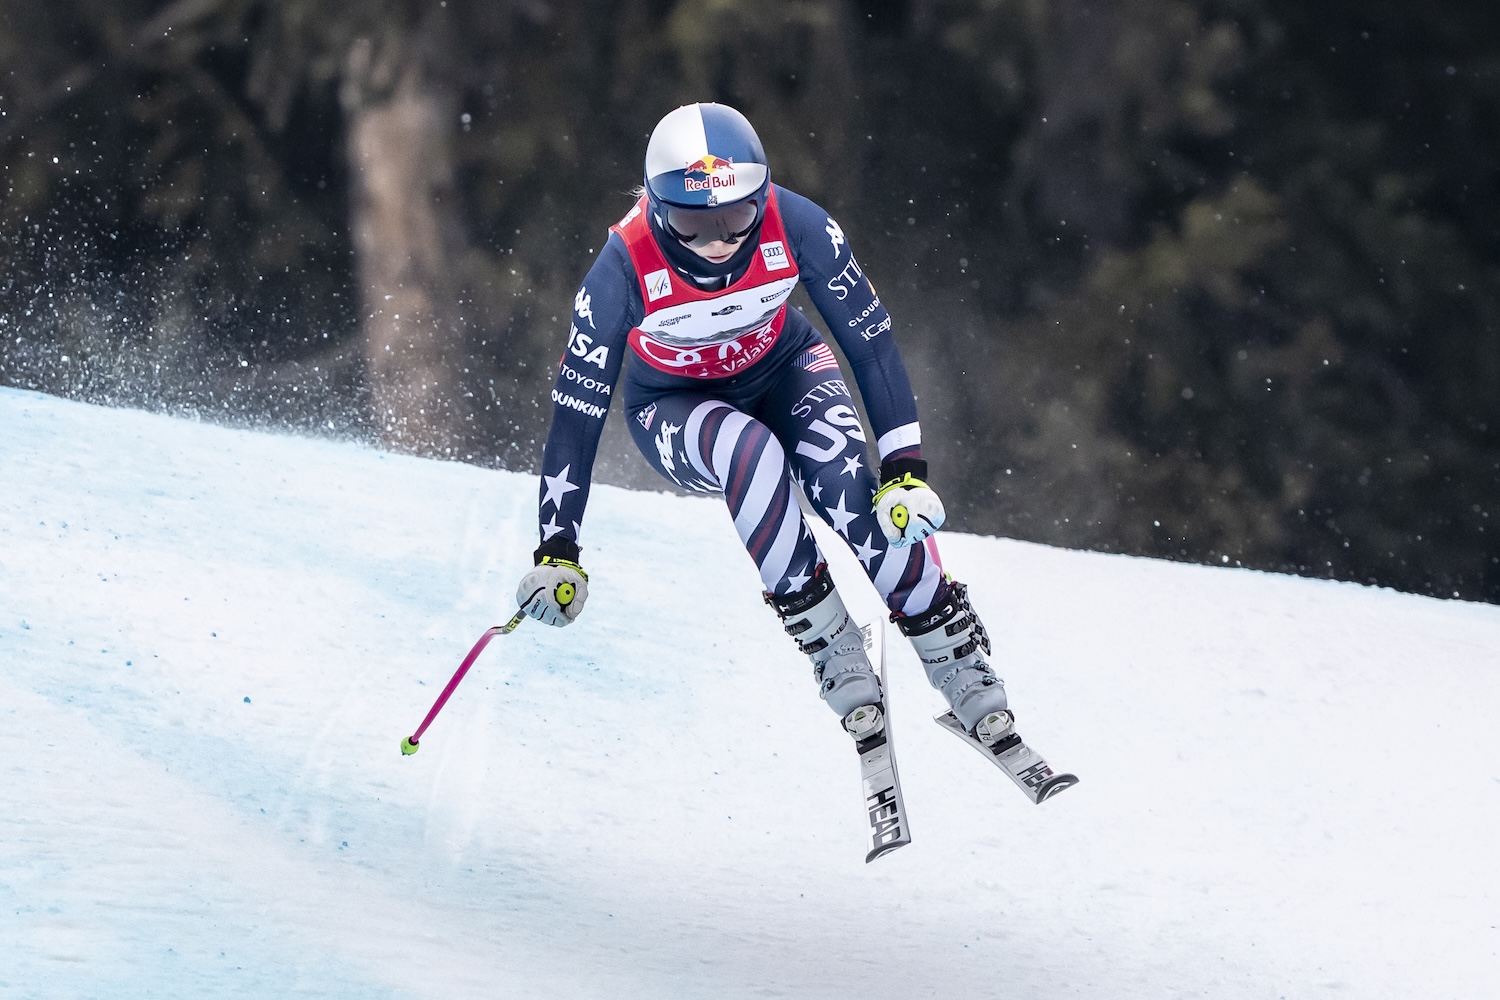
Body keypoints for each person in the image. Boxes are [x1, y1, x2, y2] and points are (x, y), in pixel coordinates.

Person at [516, 102, 1012, 747]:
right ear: (656, 208)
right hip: (672, 402)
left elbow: (871, 345)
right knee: (749, 452)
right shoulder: (619, 271)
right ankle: (831, 647)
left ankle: (955, 652)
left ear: (763, 196)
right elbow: (576, 417)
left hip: (784, 367)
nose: (717, 243)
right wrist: (557, 550)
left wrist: (904, 470)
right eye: (691, 224)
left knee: (849, 486)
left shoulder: (799, 223)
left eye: (735, 218)